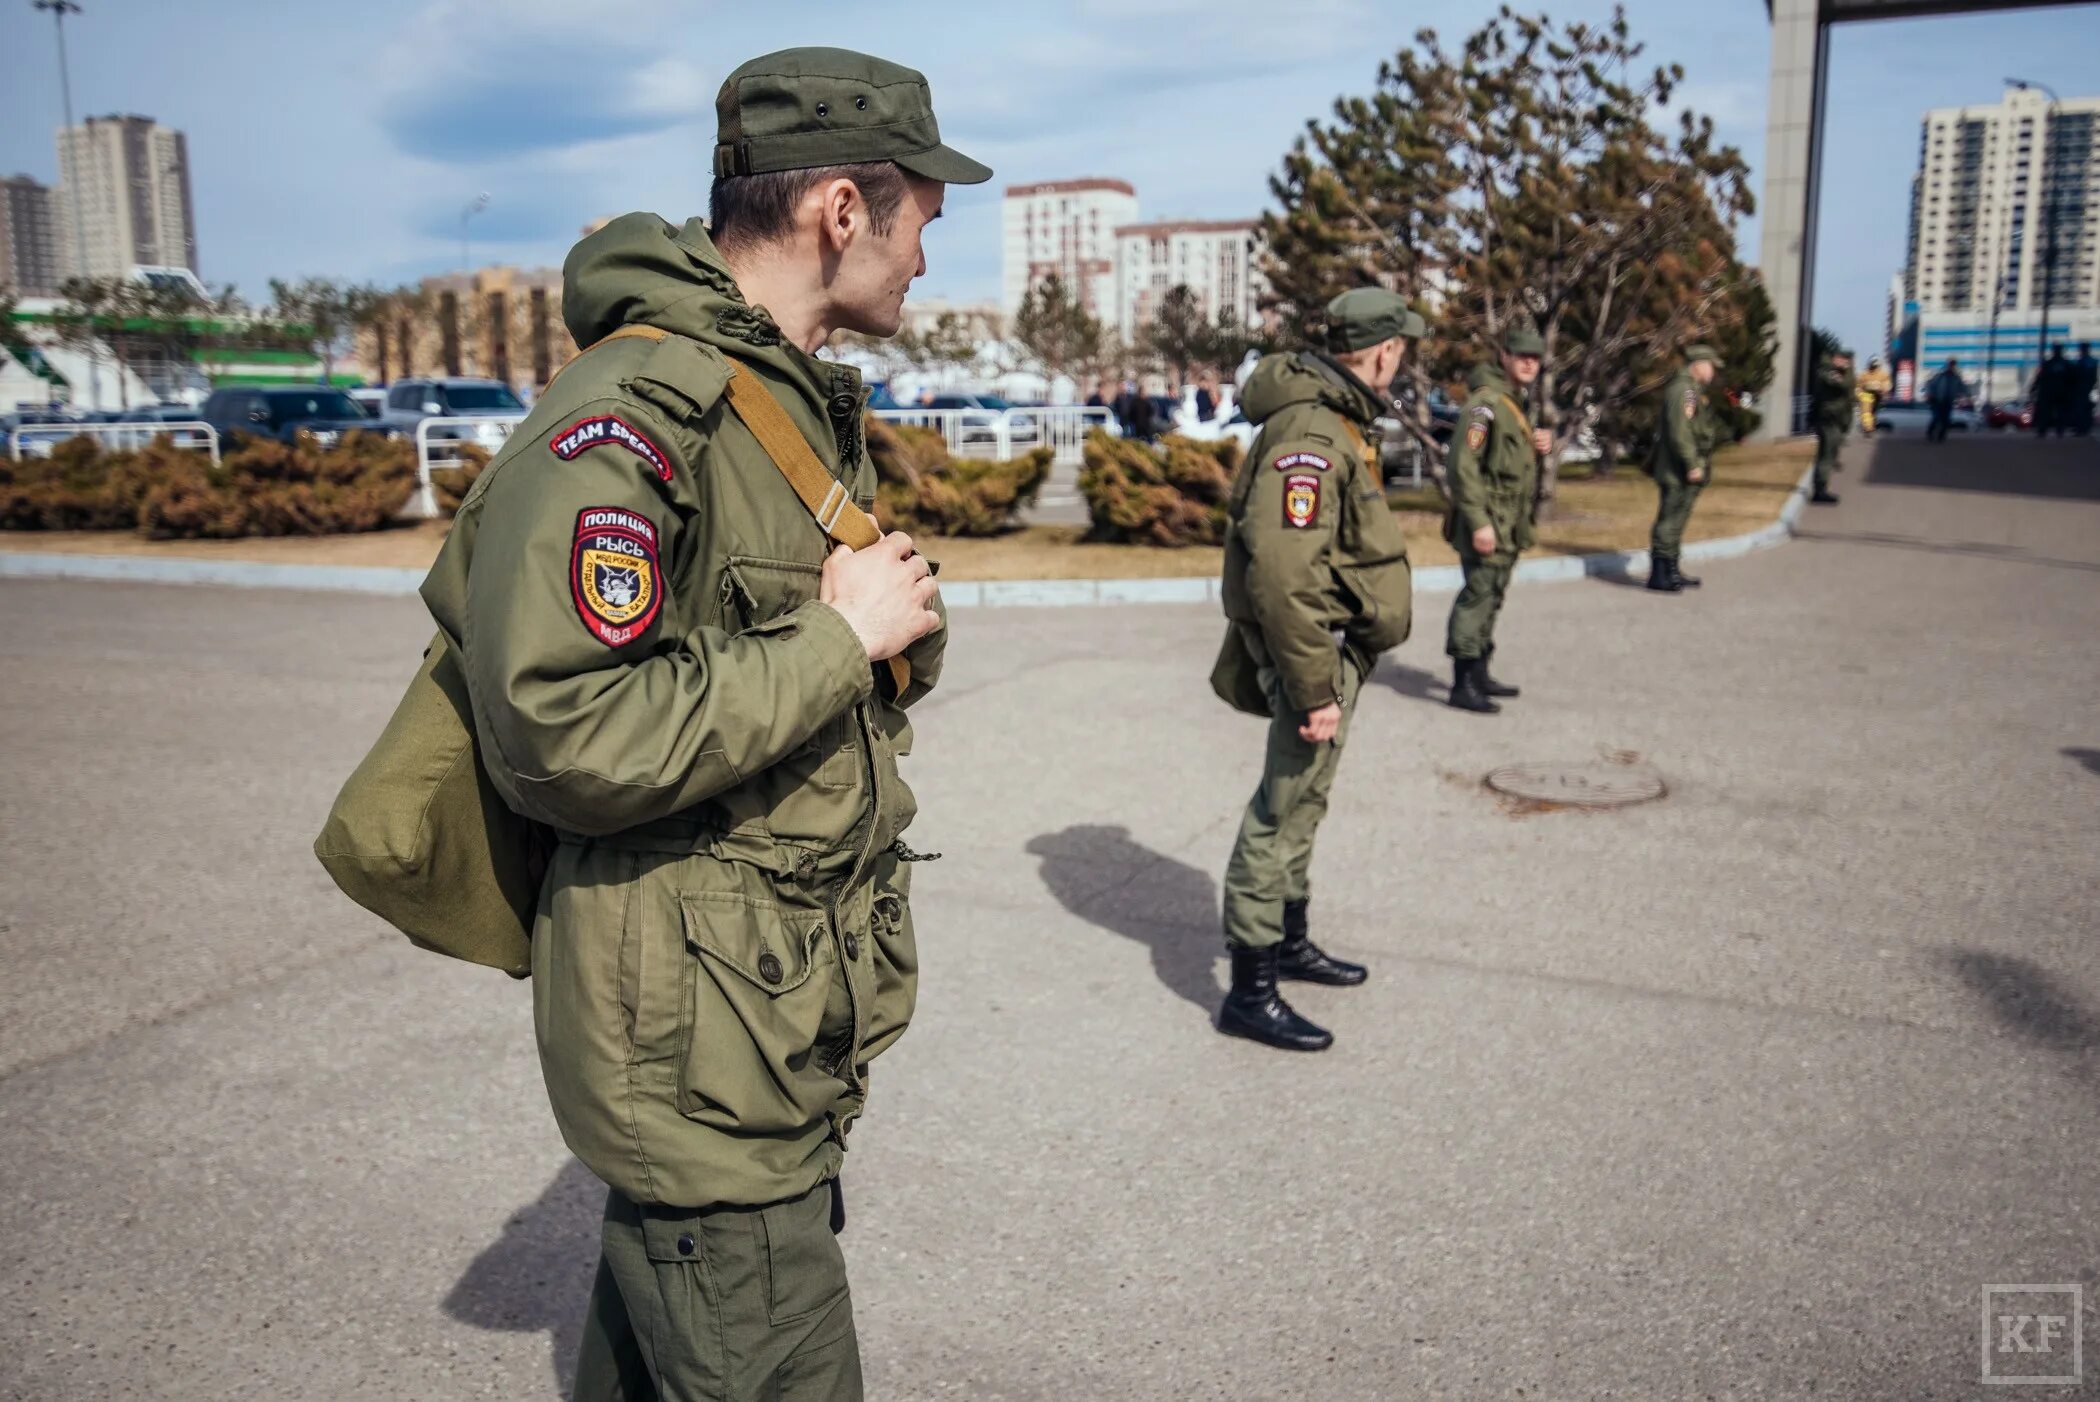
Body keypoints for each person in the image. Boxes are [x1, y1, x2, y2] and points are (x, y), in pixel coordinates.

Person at [419, 47, 988, 1401]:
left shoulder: (773, 395)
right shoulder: (632, 418)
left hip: (757, 1014)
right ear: (842, 211)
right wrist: (839, 640)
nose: (925, 257)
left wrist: (871, 635)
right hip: (701, 1045)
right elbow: (568, 729)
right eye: (921, 219)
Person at [1212, 287, 1420, 1051]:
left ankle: (1290, 942)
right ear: (1383, 351)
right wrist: (1312, 687)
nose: (1404, 359)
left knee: (1306, 802)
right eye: (1403, 348)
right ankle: (1250, 991)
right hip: (1315, 654)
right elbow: (1282, 575)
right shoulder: (1311, 433)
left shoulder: (1333, 417)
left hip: (1332, 649)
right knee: (1281, 809)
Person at [1443, 325, 1551, 713]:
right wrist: (1479, 522)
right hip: (1488, 521)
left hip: (1508, 522)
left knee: (1493, 595)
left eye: (1535, 358)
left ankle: (1479, 673)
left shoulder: (1514, 402)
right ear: (1504, 356)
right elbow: (1462, 466)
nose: (1529, 364)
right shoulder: (1485, 405)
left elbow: (1505, 458)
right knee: (1477, 597)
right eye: (1522, 356)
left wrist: (1536, 443)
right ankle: (1462, 684)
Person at [1646, 344, 1722, 593]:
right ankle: (1659, 574)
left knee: (1678, 519)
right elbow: (1680, 432)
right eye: (1710, 366)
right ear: (1698, 365)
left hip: (1683, 467)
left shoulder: (1692, 390)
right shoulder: (1683, 390)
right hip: (1677, 469)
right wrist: (1691, 464)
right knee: (1670, 519)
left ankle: (1672, 569)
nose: (1712, 372)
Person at [1809, 349, 1854, 505]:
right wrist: (1846, 370)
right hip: (1828, 418)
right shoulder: (1826, 371)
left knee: (1831, 451)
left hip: (1837, 418)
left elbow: (1849, 391)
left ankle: (1821, 486)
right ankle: (1820, 489)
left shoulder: (1838, 371)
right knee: (1826, 454)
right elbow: (1843, 385)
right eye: (1842, 359)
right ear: (1834, 358)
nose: (1845, 362)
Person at [2032, 345, 2071, 438]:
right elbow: (2040, 377)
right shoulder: (2063, 364)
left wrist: (2035, 387)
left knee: (2053, 412)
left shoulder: (2051, 364)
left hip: (2055, 392)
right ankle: (2049, 430)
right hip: (2055, 392)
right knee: (2050, 412)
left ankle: (2048, 430)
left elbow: (2040, 378)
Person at [1924, 357, 1964, 444]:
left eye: (1953, 365)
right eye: (1951, 364)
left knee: (1946, 419)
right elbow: (1930, 384)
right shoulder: (1940, 375)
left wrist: (1961, 395)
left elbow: (1962, 387)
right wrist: (1929, 394)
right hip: (1936, 400)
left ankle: (1941, 436)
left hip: (1948, 401)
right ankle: (1930, 432)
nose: (1952, 366)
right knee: (1936, 417)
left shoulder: (1956, 377)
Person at [1855, 355, 1892, 434]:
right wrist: (1860, 395)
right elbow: (1858, 387)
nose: (1874, 367)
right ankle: (1868, 427)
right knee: (1866, 412)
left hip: (1878, 396)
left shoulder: (1883, 374)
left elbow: (1887, 385)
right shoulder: (1864, 374)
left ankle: (1871, 425)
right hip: (1867, 395)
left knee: (1874, 412)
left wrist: (1883, 390)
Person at [2070, 343, 2096, 437]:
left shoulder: (2086, 362)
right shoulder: (2086, 361)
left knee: (2083, 408)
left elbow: (2090, 376)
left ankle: (2083, 427)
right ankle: (2082, 427)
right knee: (2082, 408)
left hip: (2084, 388)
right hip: (2083, 388)